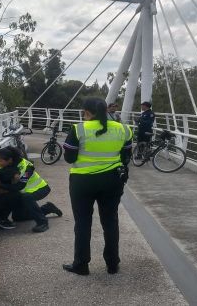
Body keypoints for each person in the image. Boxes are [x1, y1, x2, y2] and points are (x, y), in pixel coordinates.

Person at [62, 98, 133, 275]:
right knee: (110, 221)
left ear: (86, 112)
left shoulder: (78, 130)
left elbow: (69, 158)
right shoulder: (124, 129)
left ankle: (81, 265)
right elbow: (126, 158)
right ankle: (112, 264)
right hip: (112, 181)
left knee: (83, 223)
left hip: (82, 182)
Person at [0, 146, 62, 233]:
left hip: (41, 189)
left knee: (26, 197)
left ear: (9, 159)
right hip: (24, 192)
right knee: (18, 217)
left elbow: (19, 186)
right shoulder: (5, 163)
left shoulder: (27, 168)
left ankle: (42, 222)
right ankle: (47, 208)